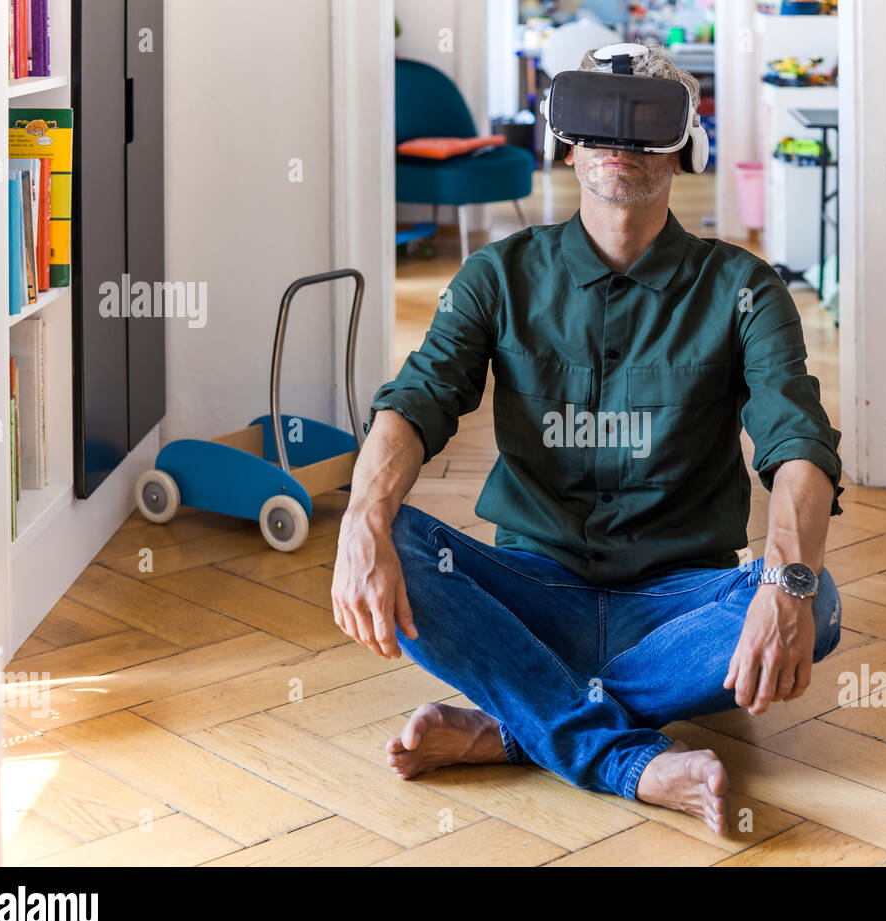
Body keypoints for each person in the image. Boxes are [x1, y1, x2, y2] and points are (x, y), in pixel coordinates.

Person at [331, 44, 844, 836]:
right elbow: (418, 399)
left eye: (647, 125)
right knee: (386, 529)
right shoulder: (496, 276)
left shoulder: (744, 289)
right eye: (600, 122)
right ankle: (620, 758)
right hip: (530, 592)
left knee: (819, 597)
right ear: (565, 140)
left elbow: (798, 438)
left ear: (685, 145)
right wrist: (362, 520)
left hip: (679, 606)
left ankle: (517, 723)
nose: (621, 145)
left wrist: (787, 579)